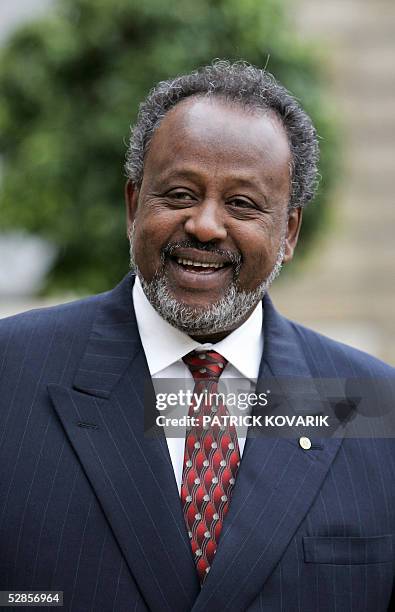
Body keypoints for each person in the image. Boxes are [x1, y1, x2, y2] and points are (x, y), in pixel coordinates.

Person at [0, 61, 394, 612]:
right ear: (135, 206)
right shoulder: (11, 373)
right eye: (180, 194)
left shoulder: (370, 404)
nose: (206, 225)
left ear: (289, 232)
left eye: (242, 204)